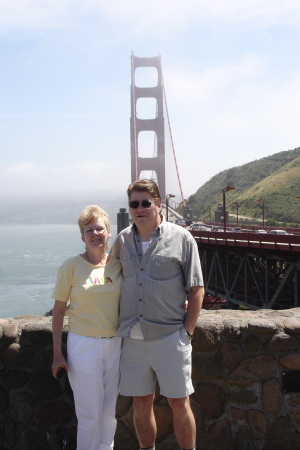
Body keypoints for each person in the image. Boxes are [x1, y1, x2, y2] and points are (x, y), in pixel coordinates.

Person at [112, 179, 205, 450]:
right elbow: (108, 281)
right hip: (132, 338)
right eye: (134, 204)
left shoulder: (182, 238)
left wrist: (186, 333)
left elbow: (197, 288)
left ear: (159, 204)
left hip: (169, 337)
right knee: (141, 402)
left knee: (179, 402)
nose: (139, 208)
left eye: (145, 203)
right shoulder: (121, 241)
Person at [51, 205, 122, 450]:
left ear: (109, 232)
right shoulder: (71, 266)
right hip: (83, 345)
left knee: (108, 413)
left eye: (99, 228)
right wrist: (57, 354)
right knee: (89, 415)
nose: (95, 233)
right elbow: (59, 311)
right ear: (82, 236)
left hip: (114, 344)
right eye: (88, 230)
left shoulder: (118, 265)